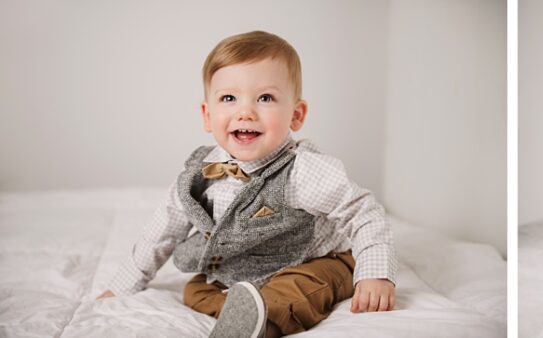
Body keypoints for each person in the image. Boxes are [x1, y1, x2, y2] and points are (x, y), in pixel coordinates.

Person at [97, 30, 397, 338]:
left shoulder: (303, 171)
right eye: (229, 98)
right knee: (196, 289)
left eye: (265, 98)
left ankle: (263, 323)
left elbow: (363, 211)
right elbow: (161, 230)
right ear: (207, 115)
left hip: (314, 261)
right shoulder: (200, 173)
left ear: (296, 114)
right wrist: (124, 284)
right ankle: (242, 308)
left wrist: (375, 273)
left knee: (303, 286)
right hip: (237, 269)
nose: (246, 112)